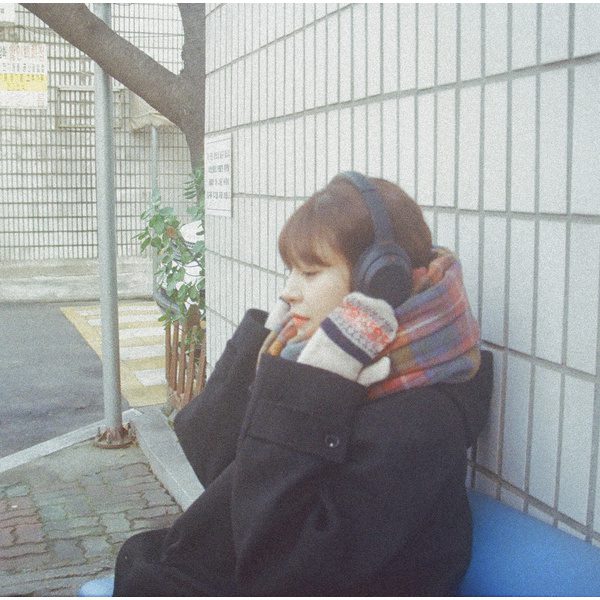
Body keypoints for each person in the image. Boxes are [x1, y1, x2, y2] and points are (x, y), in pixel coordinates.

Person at [113, 172, 493, 596]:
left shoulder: (418, 419)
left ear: (380, 284)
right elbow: (214, 462)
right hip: (262, 560)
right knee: (143, 559)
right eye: (291, 271)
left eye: (310, 273)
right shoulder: (346, 369)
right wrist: (262, 346)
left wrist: (307, 390)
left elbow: (282, 569)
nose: (289, 292)